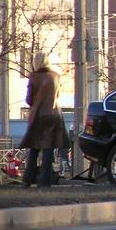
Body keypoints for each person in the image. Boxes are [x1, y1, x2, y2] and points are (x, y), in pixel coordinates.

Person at [19, 51, 70, 188]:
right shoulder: (56, 76)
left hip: (37, 115)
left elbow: (29, 100)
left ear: (37, 62)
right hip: (53, 115)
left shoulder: (34, 77)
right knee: (48, 148)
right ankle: (45, 182)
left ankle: (28, 180)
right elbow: (57, 95)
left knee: (34, 147)